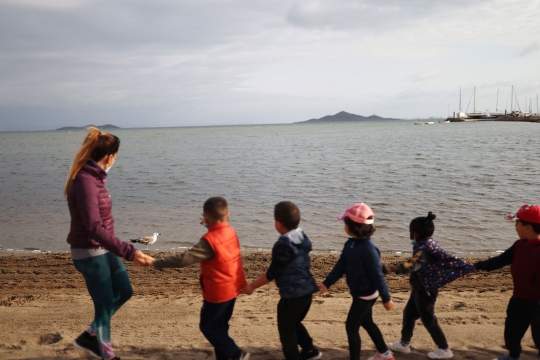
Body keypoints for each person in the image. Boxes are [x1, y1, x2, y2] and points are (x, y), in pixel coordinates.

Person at [65, 127, 154, 360]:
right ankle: (107, 355)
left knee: (125, 291)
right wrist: (131, 252)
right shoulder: (85, 181)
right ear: (110, 156)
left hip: (106, 248)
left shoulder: (95, 178)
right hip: (89, 251)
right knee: (104, 304)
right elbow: (94, 228)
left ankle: (89, 334)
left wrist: (121, 249)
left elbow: (102, 225)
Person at [147, 196, 250, 360]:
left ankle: (237, 354)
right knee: (220, 328)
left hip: (217, 293)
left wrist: (155, 262)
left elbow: (183, 259)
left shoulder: (209, 241)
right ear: (227, 215)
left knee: (208, 327)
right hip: (233, 289)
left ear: (206, 217)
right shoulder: (231, 231)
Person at [384, 212, 474, 359]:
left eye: (410, 232)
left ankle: (444, 348)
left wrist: (392, 268)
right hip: (419, 288)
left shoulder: (424, 249)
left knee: (428, 319)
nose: (410, 234)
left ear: (416, 233)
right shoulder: (426, 244)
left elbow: (412, 264)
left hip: (426, 290)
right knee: (408, 314)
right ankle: (404, 343)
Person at [242, 201, 322, 360]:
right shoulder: (302, 237)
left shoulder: (283, 245)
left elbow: (273, 272)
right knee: (294, 323)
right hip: (307, 292)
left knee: (286, 330)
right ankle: (310, 350)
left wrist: (252, 286)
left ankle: (293, 356)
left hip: (293, 295)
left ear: (278, 223)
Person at [318, 203, 395, 360]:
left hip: (367, 294)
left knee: (351, 326)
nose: (344, 226)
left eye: (345, 223)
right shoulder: (350, 244)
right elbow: (341, 267)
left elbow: (378, 275)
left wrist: (386, 298)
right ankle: (385, 354)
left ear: (352, 227)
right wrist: (327, 283)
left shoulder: (369, 249)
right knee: (367, 322)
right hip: (358, 291)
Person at [474, 204, 540, 360]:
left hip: (538, 303)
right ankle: (513, 356)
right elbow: (501, 260)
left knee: (539, 336)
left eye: (517, 223)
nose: (515, 226)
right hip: (518, 298)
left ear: (528, 227)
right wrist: (477, 266)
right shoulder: (519, 244)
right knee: (511, 332)